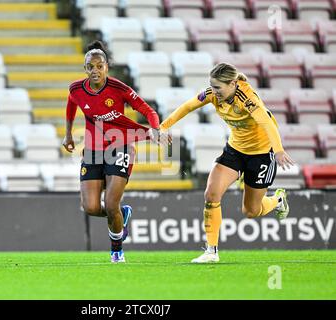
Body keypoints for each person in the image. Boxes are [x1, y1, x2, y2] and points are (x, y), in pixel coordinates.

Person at [159, 63, 295, 263]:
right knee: (211, 194)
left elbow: (266, 122)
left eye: (217, 88)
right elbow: (187, 106)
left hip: (261, 154)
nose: (213, 92)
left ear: (232, 84)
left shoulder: (248, 99)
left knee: (250, 211)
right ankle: (211, 252)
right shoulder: (212, 94)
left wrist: (279, 150)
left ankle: (278, 200)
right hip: (235, 150)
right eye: (211, 87)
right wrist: (163, 126)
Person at [62, 40, 160, 263]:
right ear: (85, 68)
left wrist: (155, 129)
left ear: (107, 66)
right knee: (91, 207)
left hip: (120, 146)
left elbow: (148, 110)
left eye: (99, 66)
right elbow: (71, 105)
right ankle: (122, 215)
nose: (95, 71)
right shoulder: (76, 89)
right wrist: (68, 134)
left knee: (111, 203)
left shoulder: (119, 89)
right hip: (93, 151)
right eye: (90, 67)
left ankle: (117, 251)